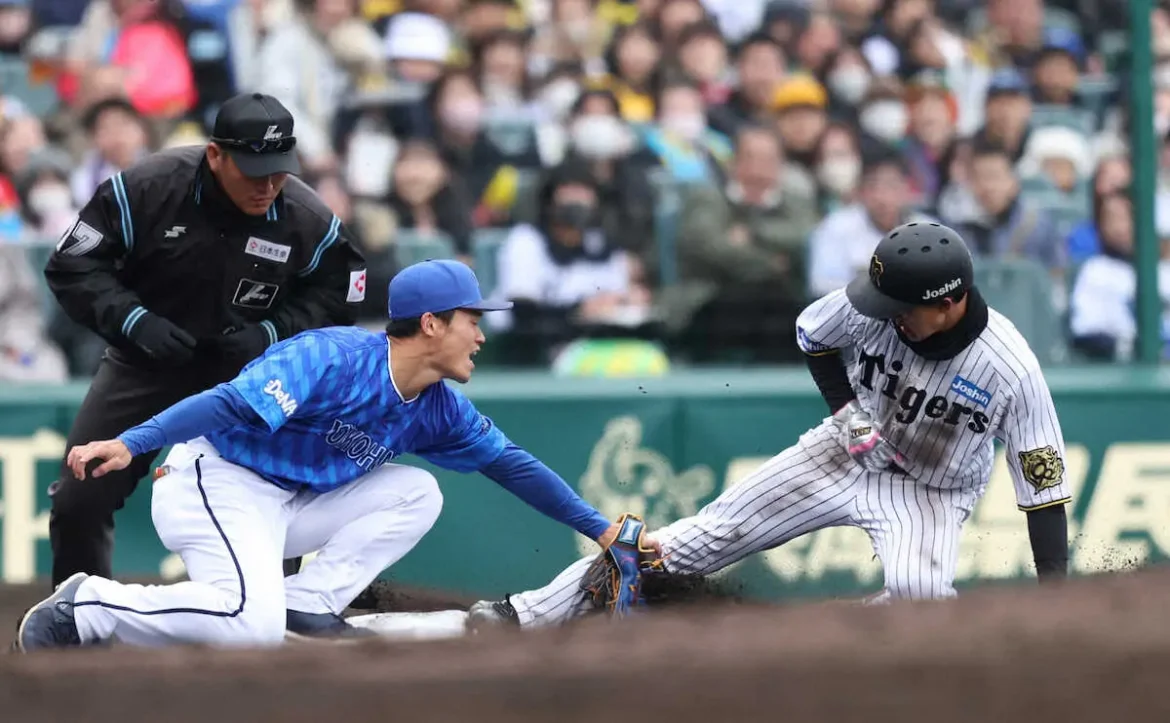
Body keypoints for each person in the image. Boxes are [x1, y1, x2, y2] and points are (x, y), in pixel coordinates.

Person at [466, 222, 1071, 628]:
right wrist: (846, 410)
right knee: (690, 543)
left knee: (922, 608)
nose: (886, 316)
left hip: (931, 492)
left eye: (901, 309)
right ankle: (524, 613)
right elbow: (813, 334)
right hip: (841, 454)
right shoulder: (873, 310)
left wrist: (1056, 605)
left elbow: (1043, 493)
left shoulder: (1009, 369)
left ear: (949, 303)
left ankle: (819, 640)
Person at [15, 260, 626, 650]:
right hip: (217, 480)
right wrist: (131, 442)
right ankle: (89, 604)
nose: (483, 334)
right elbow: (225, 405)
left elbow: (513, 465)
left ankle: (309, 602)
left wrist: (601, 530)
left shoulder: (441, 407)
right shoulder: (331, 358)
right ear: (433, 324)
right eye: (473, 319)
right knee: (247, 626)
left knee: (417, 491)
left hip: (290, 506)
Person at [42, 92, 368, 588]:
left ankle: (270, 623)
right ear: (215, 155)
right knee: (79, 494)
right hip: (144, 363)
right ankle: (74, 620)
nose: (269, 186)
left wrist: (270, 334)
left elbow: (343, 293)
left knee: (268, 494)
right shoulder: (146, 189)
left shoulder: (305, 216)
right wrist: (134, 321)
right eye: (255, 171)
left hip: (250, 376)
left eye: (280, 170)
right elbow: (72, 265)